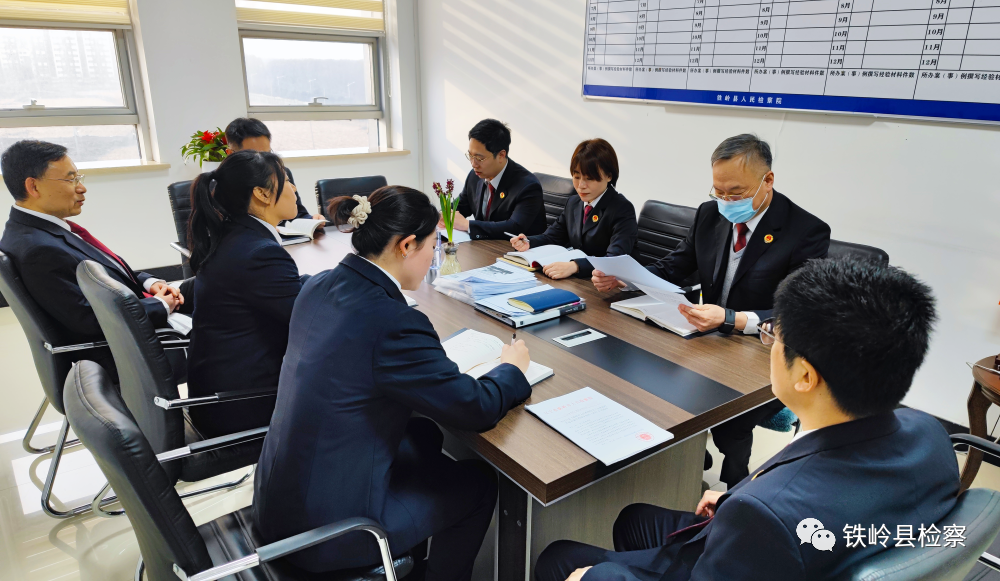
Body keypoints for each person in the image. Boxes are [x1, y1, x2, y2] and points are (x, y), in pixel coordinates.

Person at [537, 257, 957, 581]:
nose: (769, 343)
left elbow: (779, 516)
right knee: (633, 519)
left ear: (805, 375)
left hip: (755, 551)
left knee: (560, 560)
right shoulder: (931, 436)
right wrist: (737, 502)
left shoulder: (764, 515)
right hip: (790, 549)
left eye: (774, 335)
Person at [253, 185, 533, 580]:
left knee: (423, 434)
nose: (434, 256)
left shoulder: (318, 285)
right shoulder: (394, 322)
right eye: (433, 246)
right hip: (329, 533)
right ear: (406, 245)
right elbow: (476, 408)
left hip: (278, 504)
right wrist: (512, 369)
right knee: (478, 483)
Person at [591, 134, 831, 489]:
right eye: (718, 191)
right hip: (707, 340)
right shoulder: (709, 214)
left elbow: (800, 311)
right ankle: (682, 459)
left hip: (763, 350)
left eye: (736, 193)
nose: (726, 202)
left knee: (729, 419)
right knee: (644, 378)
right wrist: (626, 278)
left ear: (768, 180)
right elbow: (674, 266)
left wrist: (732, 319)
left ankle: (736, 482)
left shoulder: (805, 231)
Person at [0, 140, 185, 379]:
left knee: (209, 288)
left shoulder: (39, 231)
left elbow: (109, 273)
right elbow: (92, 321)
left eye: (79, 178)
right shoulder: (38, 250)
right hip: (140, 350)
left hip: (143, 317)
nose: (82, 188)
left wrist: (150, 283)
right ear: (33, 186)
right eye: (71, 180)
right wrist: (160, 305)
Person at [184, 150, 307, 438]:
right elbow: (311, 322)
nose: (294, 188)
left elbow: (288, 291)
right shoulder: (260, 253)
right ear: (262, 194)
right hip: (243, 405)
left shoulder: (236, 235)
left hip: (219, 394)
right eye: (286, 180)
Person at [510, 138, 637, 279]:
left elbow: (615, 259)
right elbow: (553, 237)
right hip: (578, 280)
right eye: (576, 177)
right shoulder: (574, 202)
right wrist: (528, 242)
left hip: (609, 283)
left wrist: (575, 266)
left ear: (609, 176)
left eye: (589, 178)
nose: (581, 185)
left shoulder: (622, 209)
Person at [448, 118, 546, 240]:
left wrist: (467, 225)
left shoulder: (528, 186)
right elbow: (459, 207)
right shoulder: (475, 176)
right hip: (484, 247)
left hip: (517, 249)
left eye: (479, 158)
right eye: (470, 155)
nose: (473, 164)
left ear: (501, 155)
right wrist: (441, 215)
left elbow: (514, 227)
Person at [224, 117, 324, 222]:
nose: (263, 161)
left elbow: (298, 213)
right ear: (230, 154)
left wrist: (311, 220)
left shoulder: (281, 173)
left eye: (267, 153)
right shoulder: (221, 183)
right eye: (254, 156)